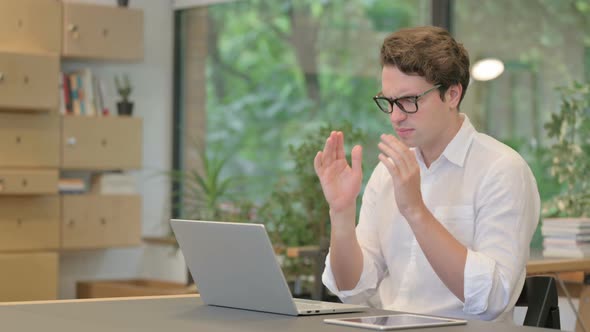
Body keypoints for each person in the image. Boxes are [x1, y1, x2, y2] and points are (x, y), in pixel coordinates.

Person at [313, 26, 540, 322]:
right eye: (389, 102)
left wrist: (415, 211)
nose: (395, 116)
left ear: (452, 95)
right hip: (384, 327)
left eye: (409, 101)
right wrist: (341, 212)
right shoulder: (387, 173)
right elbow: (352, 289)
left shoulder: (501, 170)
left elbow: (492, 299)